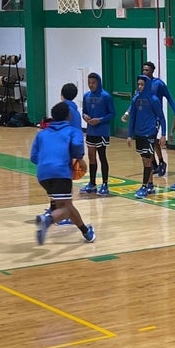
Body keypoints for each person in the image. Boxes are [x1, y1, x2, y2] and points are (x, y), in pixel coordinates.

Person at [30, 101, 95, 245]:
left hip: (43, 176)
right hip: (60, 173)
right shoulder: (73, 131)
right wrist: (78, 158)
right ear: (68, 116)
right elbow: (77, 145)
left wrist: (47, 162)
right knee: (66, 208)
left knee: (67, 206)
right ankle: (47, 220)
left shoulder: (42, 134)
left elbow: (33, 157)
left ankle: (86, 232)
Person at [122, 61, 175, 177]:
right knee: (148, 143)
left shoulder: (159, 84)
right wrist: (127, 113)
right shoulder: (141, 85)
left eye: (147, 70)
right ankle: (153, 164)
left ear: (152, 71)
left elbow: (169, 98)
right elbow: (135, 102)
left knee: (152, 138)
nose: (145, 72)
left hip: (155, 116)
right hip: (144, 118)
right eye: (143, 70)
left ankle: (161, 162)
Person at [126, 74, 166, 198]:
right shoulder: (136, 100)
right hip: (139, 133)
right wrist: (129, 135)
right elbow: (132, 118)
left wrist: (163, 134)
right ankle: (151, 184)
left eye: (142, 84)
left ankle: (144, 186)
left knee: (147, 160)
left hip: (150, 133)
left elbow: (162, 118)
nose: (140, 86)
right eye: (138, 84)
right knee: (144, 160)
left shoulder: (154, 100)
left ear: (147, 85)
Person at [81, 72, 115, 196]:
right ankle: (92, 183)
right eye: (89, 83)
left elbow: (112, 114)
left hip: (102, 131)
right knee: (91, 157)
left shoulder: (106, 96)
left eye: (93, 83)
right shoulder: (86, 96)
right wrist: (85, 116)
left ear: (98, 83)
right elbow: (84, 111)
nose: (91, 85)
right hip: (91, 131)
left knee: (102, 156)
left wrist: (100, 120)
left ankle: (105, 184)